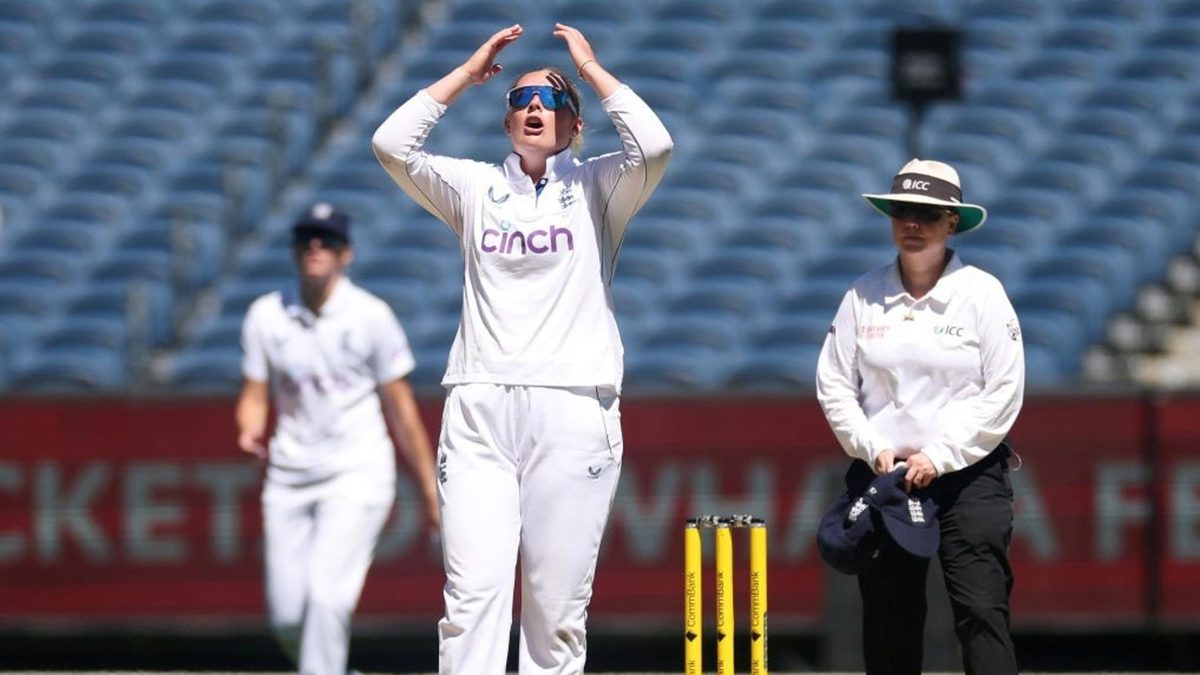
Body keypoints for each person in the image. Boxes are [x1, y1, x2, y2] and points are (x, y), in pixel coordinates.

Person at [371, 22, 672, 675]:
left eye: (552, 100)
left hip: (573, 404)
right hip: (479, 405)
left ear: (576, 124)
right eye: (521, 99)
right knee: (471, 598)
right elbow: (391, 144)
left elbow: (654, 145)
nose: (535, 107)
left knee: (554, 607)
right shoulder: (474, 187)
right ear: (507, 120)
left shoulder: (598, 187)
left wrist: (589, 70)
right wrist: (466, 75)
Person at [815, 158, 1025, 675]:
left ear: (952, 222)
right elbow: (834, 384)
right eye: (902, 211)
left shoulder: (982, 294)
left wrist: (942, 455)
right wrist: (871, 447)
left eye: (927, 214)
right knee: (890, 619)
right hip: (886, 476)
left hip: (970, 477)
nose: (912, 223)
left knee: (981, 610)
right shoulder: (862, 294)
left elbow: (1004, 389)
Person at [235, 203, 439, 675]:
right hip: (288, 475)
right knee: (289, 618)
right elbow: (254, 394)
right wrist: (248, 429)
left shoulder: (371, 316)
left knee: (327, 598)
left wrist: (429, 488)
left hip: (356, 470)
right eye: (306, 239)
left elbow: (401, 407)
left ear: (345, 253)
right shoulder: (266, 315)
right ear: (293, 250)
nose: (315, 247)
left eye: (326, 240)